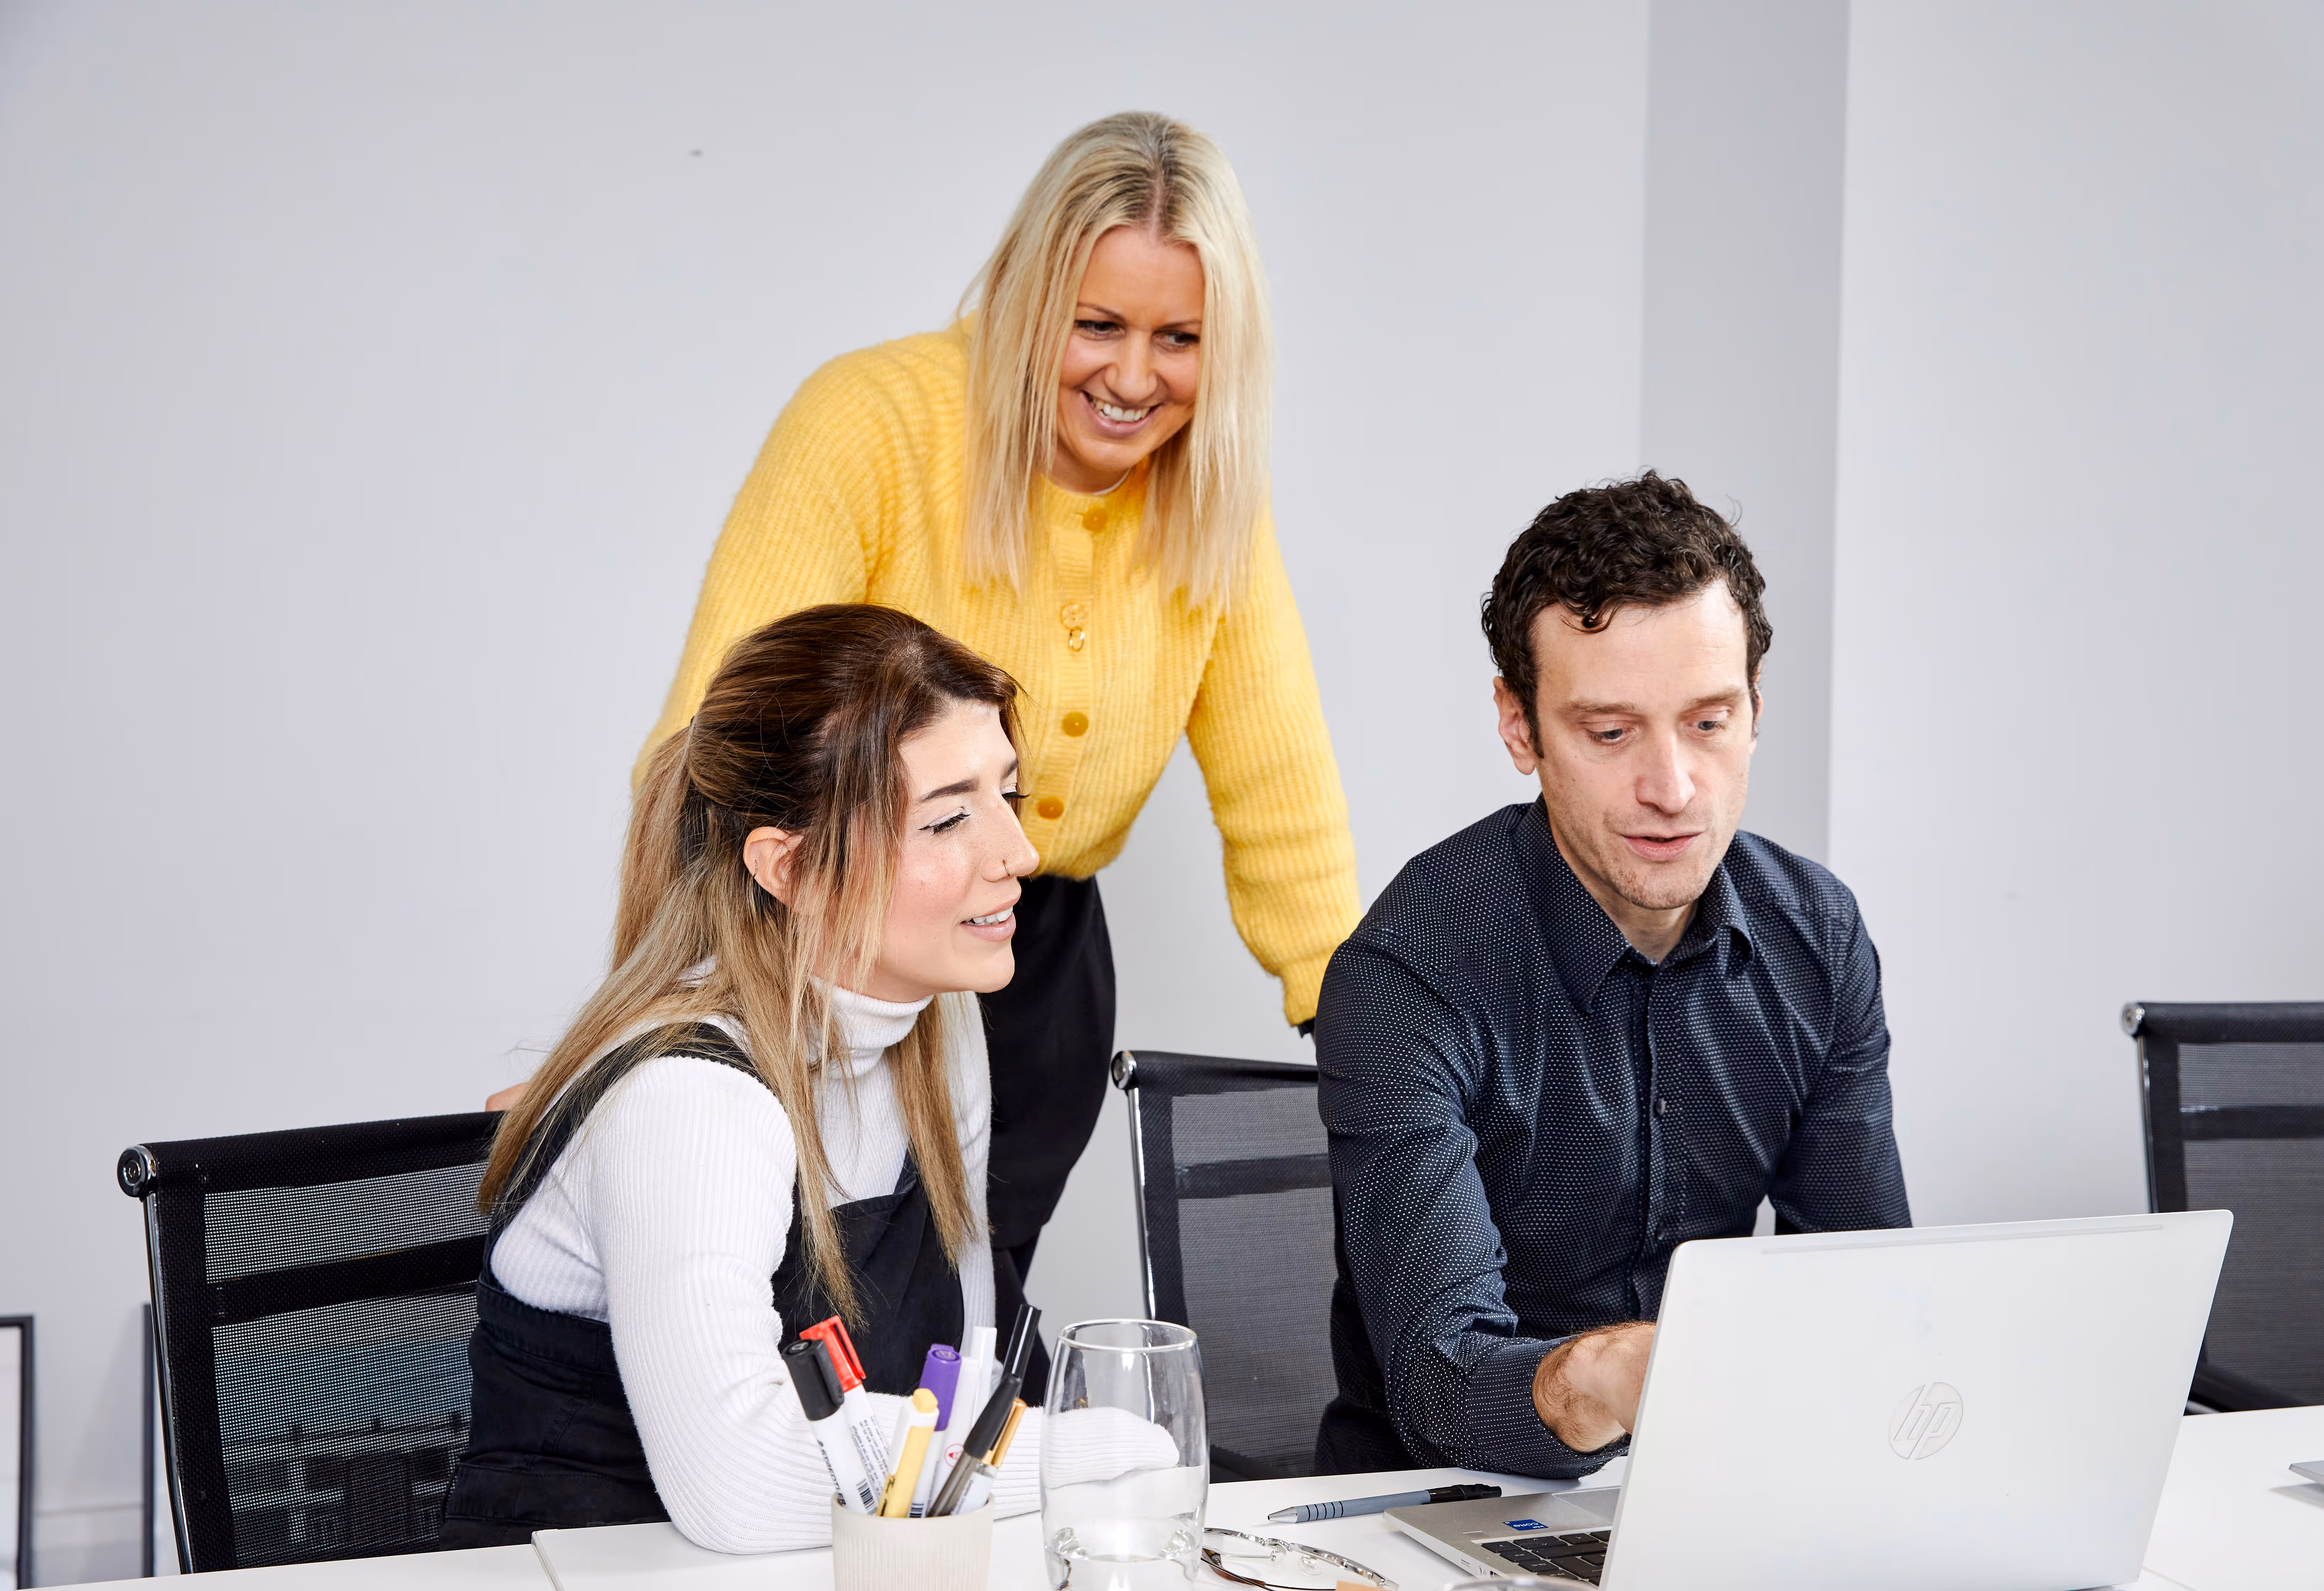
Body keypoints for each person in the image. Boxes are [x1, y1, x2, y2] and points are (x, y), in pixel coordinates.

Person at [603, 113, 1363, 1390]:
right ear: (1024, 299)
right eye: (1097, 324)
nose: (1135, 376)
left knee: (960, 1314)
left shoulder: (1212, 500)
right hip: (824, 942)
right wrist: (653, 1024)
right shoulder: (874, 424)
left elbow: (1285, 798)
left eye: (1180, 339)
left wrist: (1375, 1052)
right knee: (789, 1310)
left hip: (1033, 951)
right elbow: (706, 748)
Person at [441, 604, 1167, 1551]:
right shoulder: (689, 1098)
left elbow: (971, 1377)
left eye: (1010, 798)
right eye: (949, 818)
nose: (1019, 856)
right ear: (789, 868)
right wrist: (1088, 1454)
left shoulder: (939, 1030)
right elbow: (741, 1489)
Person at [1313, 473, 1911, 1477]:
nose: (1672, 789)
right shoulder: (1406, 972)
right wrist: (1611, 1379)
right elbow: (1438, 1382)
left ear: (1756, 711)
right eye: (1610, 732)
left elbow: (1867, 1290)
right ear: (1519, 727)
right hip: (1437, 1510)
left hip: (1721, 1487)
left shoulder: (1820, 938)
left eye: (1709, 722)